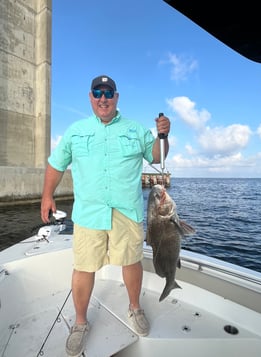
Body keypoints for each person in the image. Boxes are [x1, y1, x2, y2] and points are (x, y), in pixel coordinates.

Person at [41, 75, 170, 357]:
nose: (103, 98)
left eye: (108, 93)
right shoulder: (75, 131)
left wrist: (163, 135)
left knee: (131, 261)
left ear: (117, 97)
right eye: (98, 92)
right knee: (84, 267)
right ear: (90, 97)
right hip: (89, 213)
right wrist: (47, 195)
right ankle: (80, 323)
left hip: (127, 211)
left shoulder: (135, 129)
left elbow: (157, 156)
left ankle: (134, 308)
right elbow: (56, 164)